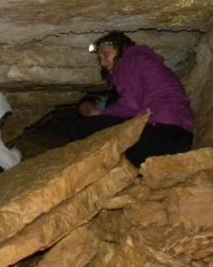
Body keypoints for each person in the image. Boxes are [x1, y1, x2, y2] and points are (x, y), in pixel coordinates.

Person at [68, 31, 194, 166]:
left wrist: (100, 115)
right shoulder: (144, 60)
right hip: (183, 138)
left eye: (105, 54)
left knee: (81, 128)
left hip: (160, 134)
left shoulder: (127, 61)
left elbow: (130, 106)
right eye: (100, 58)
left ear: (121, 48)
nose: (103, 62)